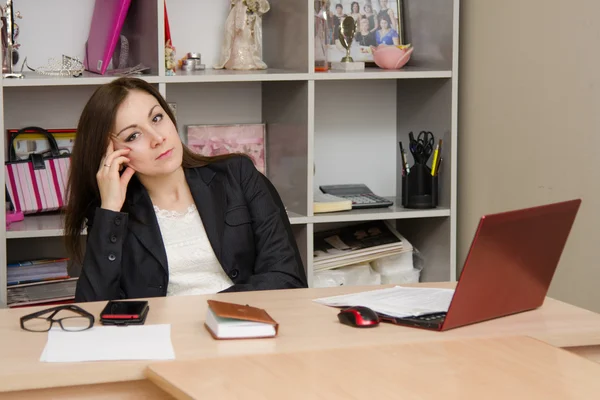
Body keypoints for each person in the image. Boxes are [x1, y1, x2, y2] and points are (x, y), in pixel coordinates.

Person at [64, 77, 307, 302]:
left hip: (246, 329)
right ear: (110, 155)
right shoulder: (113, 215)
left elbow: (287, 278)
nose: (157, 137)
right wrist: (109, 212)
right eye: (133, 135)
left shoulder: (238, 175)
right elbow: (93, 310)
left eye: (157, 118)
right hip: (165, 341)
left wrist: (205, 311)